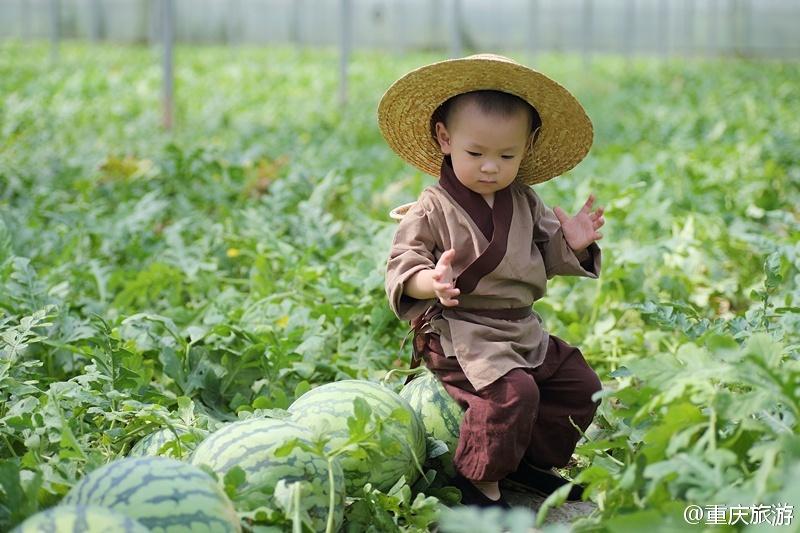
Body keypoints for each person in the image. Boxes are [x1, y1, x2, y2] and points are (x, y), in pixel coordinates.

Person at [379, 54, 605, 509]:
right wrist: (430, 281)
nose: (490, 168)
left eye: (506, 156)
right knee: (511, 394)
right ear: (445, 139)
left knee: (579, 384)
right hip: (461, 332)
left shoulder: (523, 200)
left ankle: (527, 463)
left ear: (528, 147)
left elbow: (544, 254)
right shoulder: (432, 207)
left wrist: (573, 243)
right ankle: (477, 485)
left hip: (520, 329)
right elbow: (403, 264)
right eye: (476, 153)